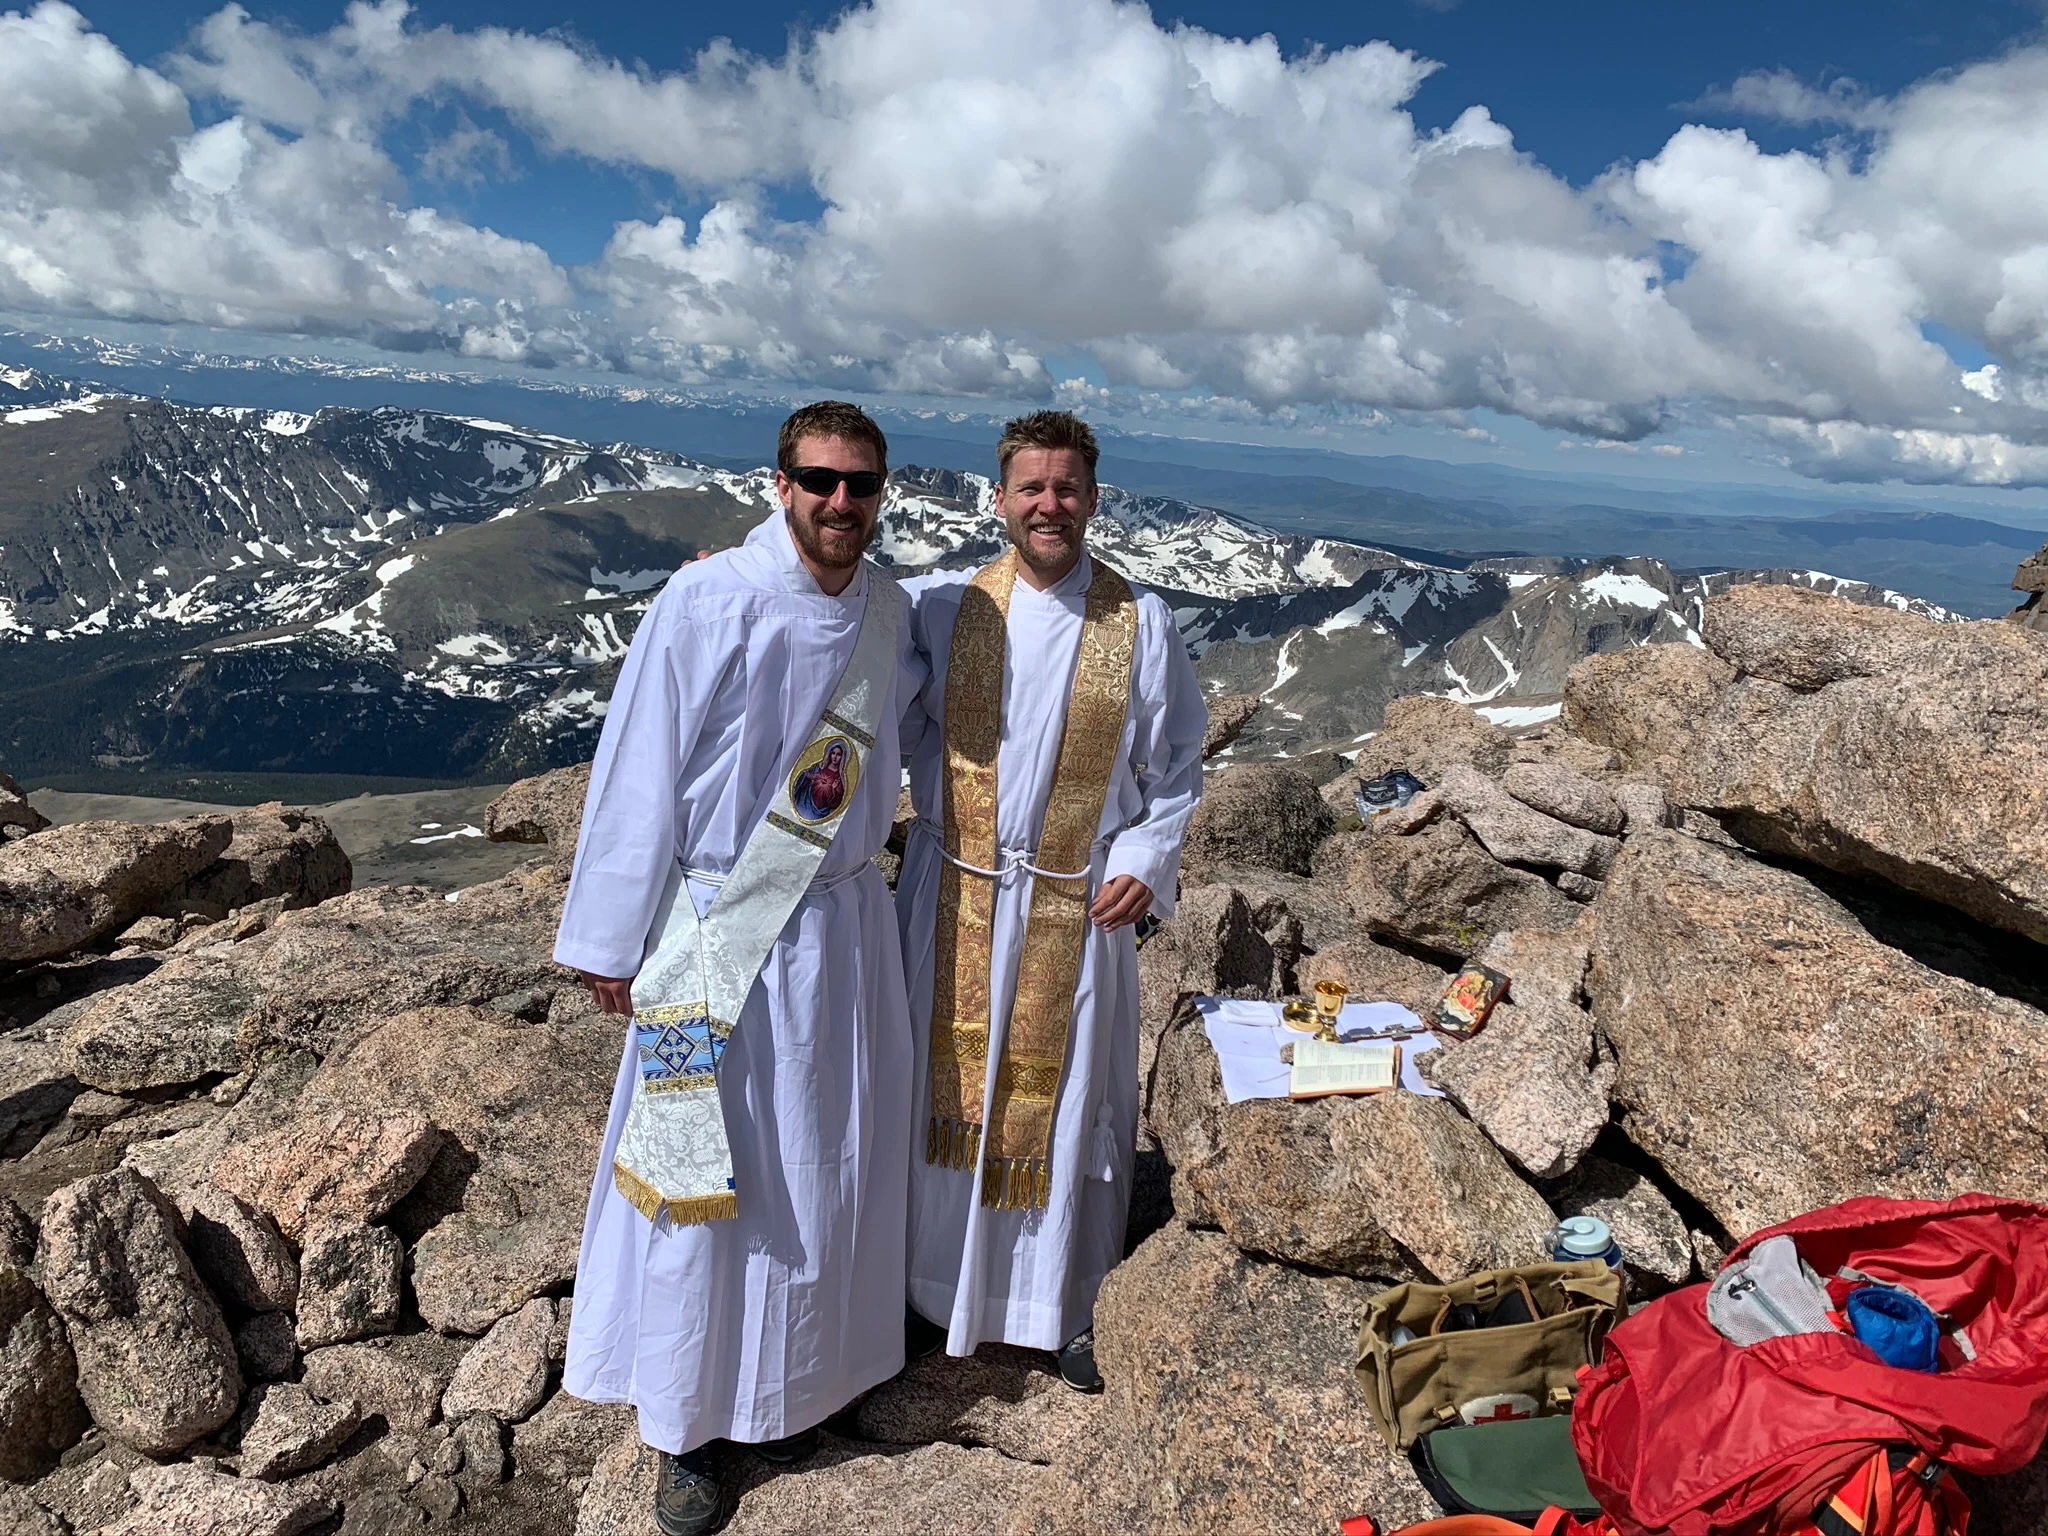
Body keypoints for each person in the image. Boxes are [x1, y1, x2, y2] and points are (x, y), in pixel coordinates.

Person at [554, 401, 922, 1536]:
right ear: (779, 484)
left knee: (821, 1165)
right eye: (820, 480)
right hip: (714, 929)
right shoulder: (706, 599)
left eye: (861, 484)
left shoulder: (891, 611)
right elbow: (638, 765)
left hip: (844, 929)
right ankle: (681, 1425)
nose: (840, 503)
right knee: (698, 1180)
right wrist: (612, 942)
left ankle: (802, 1384)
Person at [895, 409, 1206, 1391]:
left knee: (1064, 1107)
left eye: (1066, 488)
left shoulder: (1137, 623)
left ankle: (1059, 1305)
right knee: (939, 1099)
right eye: (1029, 487)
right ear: (998, 499)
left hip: (1075, 906)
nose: (1048, 504)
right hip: (956, 895)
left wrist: (1147, 856)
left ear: (1092, 500)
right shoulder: (944, 609)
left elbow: (1175, 761)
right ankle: (928, 1292)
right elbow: (853, 674)